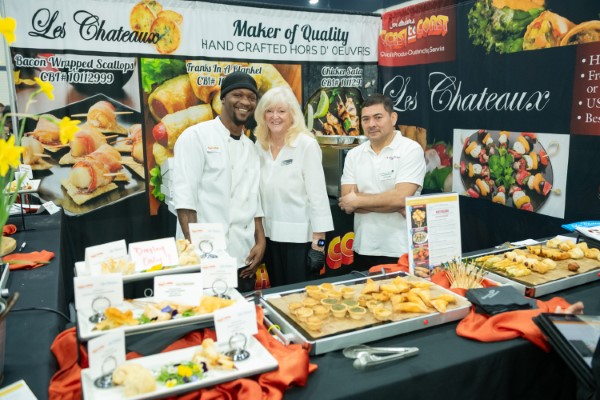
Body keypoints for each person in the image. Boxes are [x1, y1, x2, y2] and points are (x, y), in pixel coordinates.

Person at [172, 71, 265, 292]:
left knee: (243, 312)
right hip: (204, 258)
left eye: (251, 97)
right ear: (222, 99)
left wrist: (261, 242)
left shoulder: (251, 148)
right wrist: (198, 256)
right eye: (237, 95)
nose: (245, 102)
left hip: (243, 257)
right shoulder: (195, 136)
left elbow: (254, 200)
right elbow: (185, 200)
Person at [254, 86, 333, 286]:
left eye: (281, 111)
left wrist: (319, 245)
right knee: (277, 295)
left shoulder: (306, 145)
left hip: (300, 240)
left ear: (293, 115)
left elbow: (318, 198)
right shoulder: (259, 146)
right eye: (269, 111)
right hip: (269, 238)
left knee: (299, 297)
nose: (275, 116)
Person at [339, 93, 426, 271]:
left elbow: (400, 198)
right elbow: (347, 202)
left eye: (378, 117)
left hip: (401, 249)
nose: (371, 124)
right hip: (364, 247)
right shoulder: (354, 155)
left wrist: (358, 200)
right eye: (366, 119)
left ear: (393, 118)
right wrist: (393, 204)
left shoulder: (411, 149)